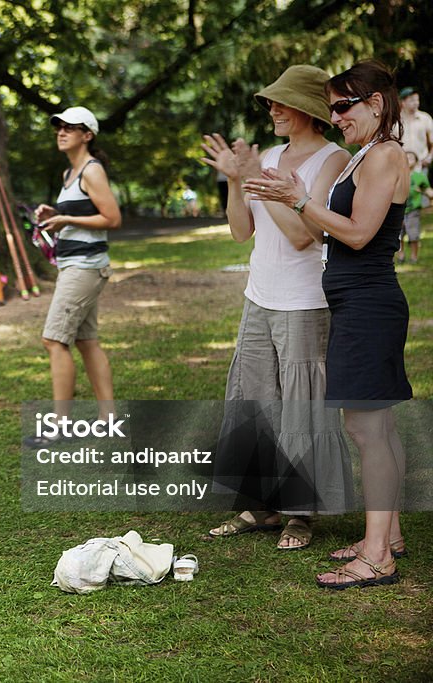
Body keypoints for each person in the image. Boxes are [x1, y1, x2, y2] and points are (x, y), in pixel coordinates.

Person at [245, 60, 412, 589]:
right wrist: (299, 198)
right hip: (355, 304)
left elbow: (360, 233)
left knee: (366, 429)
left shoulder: (385, 154)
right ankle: (386, 536)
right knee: (376, 427)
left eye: (343, 106)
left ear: (376, 104)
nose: (335, 115)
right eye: (331, 106)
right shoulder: (366, 153)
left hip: (368, 306)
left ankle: (378, 556)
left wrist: (298, 200)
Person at [201, 65, 353, 549]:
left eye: (281, 102)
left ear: (309, 109)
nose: (272, 109)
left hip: (304, 301)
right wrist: (235, 180)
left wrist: (258, 182)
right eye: (269, 102)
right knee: (255, 399)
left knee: (299, 407)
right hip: (258, 296)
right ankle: (260, 505)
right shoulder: (269, 155)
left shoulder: (332, 159)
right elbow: (241, 230)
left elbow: (306, 234)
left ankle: (300, 514)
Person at [29, 106, 121, 442]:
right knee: (86, 341)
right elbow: (86, 211)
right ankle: (109, 419)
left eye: (70, 128)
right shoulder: (71, 174)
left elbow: (111, 218)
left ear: (88, 135)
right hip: (77, 266)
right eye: (59, 128)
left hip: (84, 268)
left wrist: (67, 220)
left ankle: (59, 426)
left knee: (54, 339)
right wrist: (57, 212)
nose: (61, 132)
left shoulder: (91, 171)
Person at [396, 150, 432, 264]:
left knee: (413, 234)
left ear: (416, 162)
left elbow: (428, 190)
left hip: (413, 210)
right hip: (398, 210)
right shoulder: (397, 176)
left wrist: (427, 193)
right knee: (398, 235)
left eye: (411, 158)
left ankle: (414, 257)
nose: (408, 160)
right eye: (406, 158)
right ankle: (401, 256)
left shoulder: (419, 176)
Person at [399, 87, 433, 179]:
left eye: (417, 100)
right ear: (403, 102)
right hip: (401, 166)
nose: (416, 103)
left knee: (421, 191)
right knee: (403, 192)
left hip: (421, 166)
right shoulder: (396, 121)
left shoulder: (426, 118)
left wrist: (430, 157)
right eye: (412, 100)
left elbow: (432, 142)